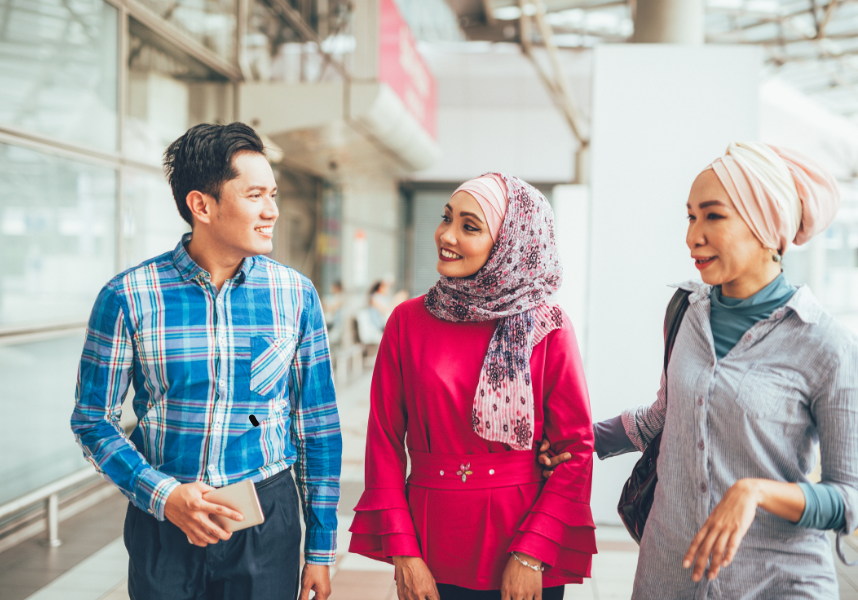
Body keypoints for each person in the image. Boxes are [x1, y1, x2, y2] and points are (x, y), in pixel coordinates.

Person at [540, 142, 858, 599]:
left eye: (713, 216)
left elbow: (847, 501)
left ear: (767, 225)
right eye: (690, 217)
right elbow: (664, 417)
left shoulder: (828, 344)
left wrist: (757, 492)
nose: (693, 236)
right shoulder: (684, 312)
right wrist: (576, 440)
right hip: (669, 576)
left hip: (774, 582)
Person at [70, 123, 342, 600]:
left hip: (265, 523)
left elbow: (316, 426)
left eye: (272, 194)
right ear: (202, 205)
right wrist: (164, 496)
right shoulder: (128, 297)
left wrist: (320, 548)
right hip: (165, 523)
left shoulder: (294, 295)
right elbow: (93, 420)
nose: (272, 211)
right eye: (255, 195)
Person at [349, 173, 596, 600]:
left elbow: (576, 450)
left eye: (469, 225)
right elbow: (385, 442)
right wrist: (404, 553)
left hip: (521, 542)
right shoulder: (407, 321)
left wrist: (532, 554)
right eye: (447, 218)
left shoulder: (547, 327)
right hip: (429, 540)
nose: (446, 235)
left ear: (508, 243)